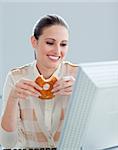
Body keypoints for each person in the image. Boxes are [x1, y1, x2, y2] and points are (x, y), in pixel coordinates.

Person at [0, 14, 78, 149]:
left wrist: (80, 94)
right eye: (50, 43)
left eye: (63, 44)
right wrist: (13, 98)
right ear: (34, 42)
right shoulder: (16, 77)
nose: (57, 51)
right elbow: (7, 143)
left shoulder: (78, 77)